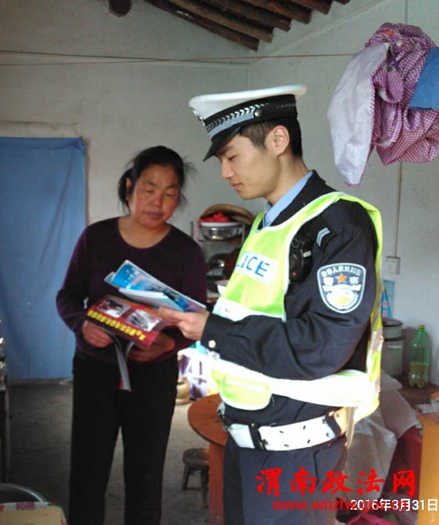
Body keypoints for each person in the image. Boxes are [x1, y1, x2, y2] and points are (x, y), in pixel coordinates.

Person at [161, 85, 384, 525]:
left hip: (296, 455)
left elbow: (321, 345)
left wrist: (212, 330)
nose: (226, 172)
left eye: (232, 156)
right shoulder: (267, 223)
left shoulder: (336, 225)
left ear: (278, 140)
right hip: (246, 441)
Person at [56, 145, 208, 525]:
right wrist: (82, 324)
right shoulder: (96, 238)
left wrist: (171, 343)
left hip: (153, 377)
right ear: (129, 187)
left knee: (145, 479)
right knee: (87, 474)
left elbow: (198, 320)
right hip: (96, 371)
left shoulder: (186, 252)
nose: (157, 202)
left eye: (169, 193)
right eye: (149, 189)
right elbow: (67, 296)